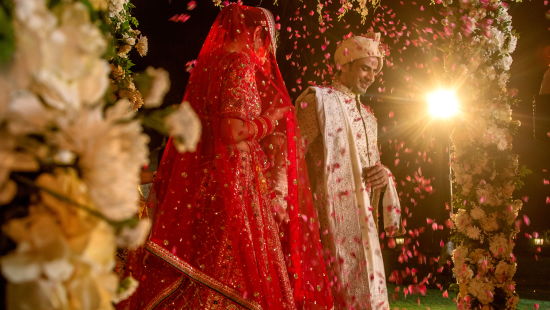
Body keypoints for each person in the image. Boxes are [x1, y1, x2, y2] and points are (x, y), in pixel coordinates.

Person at [118, 4, 333, 310]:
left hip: (207, 178)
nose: (265, 53)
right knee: (235, 267)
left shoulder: (212, 62)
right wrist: (270, 119)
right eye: (266, 42)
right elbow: (231, 130)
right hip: (232, 182)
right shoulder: (240, 62)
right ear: (258, 34)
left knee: (200, 258)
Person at [296, 33, 401, 310]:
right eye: (365, 67)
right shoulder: (316, 101)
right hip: (323, 222)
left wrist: (384, 175)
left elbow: (372, 166)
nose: (371, 76)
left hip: (363, 226)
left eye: (375, 71)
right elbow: (291, 158)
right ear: (344, 64)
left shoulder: (368, 116)